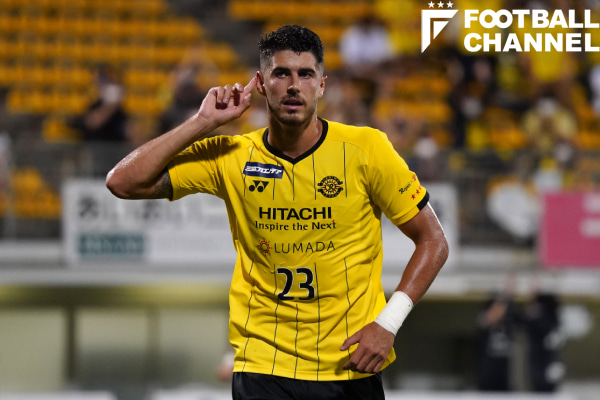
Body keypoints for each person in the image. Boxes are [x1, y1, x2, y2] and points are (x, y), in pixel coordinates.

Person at [106, 25, 448, 400]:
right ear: (260, 83)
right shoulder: (231, 156)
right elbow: (123, 182)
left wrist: (388, 323)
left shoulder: (367, 149)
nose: (294, 86)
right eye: (281, 73)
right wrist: (202, 122)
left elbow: (433, 241)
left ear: (322, 85)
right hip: (262, 369)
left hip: (348, 365)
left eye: (306, 74)